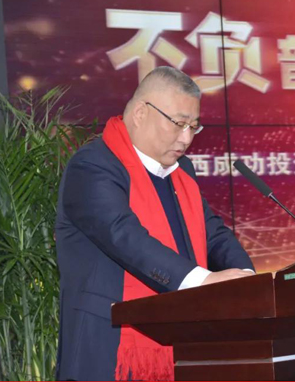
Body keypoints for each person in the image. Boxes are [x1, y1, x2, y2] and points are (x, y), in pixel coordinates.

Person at [55, 66, 254, 381]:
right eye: (178, 124)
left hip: (180, 341)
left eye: (194, 126)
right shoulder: (93, 166)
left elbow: (213, 234)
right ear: (140, 113)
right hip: (108, 349)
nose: (186, 138)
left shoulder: (181, 170)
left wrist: (248, 280)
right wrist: (201, 282)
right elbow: (124, 236)